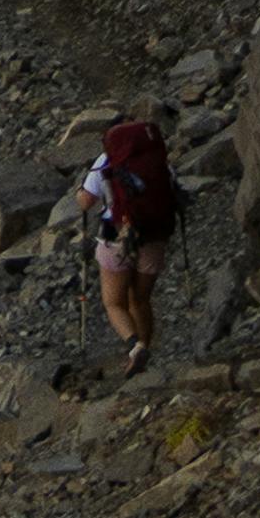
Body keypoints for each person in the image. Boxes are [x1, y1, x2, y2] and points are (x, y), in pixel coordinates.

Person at [80, 104, 183, 367]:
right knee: (140, 298)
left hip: (116, 234)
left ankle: (134, 346)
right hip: (155, 233)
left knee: (114, 302)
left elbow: (86, 201)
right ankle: (145, 349)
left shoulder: (106, 161)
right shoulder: (157, 160)